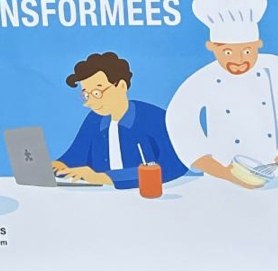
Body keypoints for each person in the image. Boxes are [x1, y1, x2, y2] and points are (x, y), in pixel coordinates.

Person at [165, 0, 278, 187]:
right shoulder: (202, 80)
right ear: (212, 47)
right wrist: (226, 174)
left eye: (247, 51)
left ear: (258, 45)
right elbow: (181, 126)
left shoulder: (277, 69)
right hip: (221, 182)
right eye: (227, 52)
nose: (238, 60)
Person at [52, 52, 187, 188]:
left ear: (121, 86)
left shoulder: (154, 118)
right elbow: (76, 155)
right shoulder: (94, 120)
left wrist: (106, 178)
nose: (89, 103)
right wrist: (58, 166)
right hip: (101, 197)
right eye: (86, 95)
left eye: (97, 93)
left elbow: (174, 165)